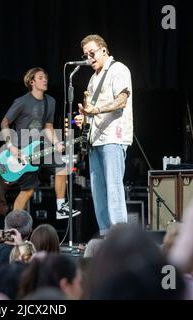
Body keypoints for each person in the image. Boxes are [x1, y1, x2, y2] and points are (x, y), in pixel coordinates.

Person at [1, 67, 80, 219]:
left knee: (62, 167)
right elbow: (5, 123)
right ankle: (11, 227)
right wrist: (10, 146)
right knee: (27, 191)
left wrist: (56, 142)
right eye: (40, 77)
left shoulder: (50, 101)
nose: (45, 80)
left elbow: (48, 127)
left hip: (40, 146)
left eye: (46, 77)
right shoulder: (21, 101)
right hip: (22, 150)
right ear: (32, 81)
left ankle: (61, 207)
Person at [74, 34, 133, 237]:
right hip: (95, 139)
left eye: (92, 53)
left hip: (113, 137)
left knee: (114, 187)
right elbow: (91, 110)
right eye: (85, 55)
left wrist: (96, 111)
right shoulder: (93, 78)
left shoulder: (119, 69)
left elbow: (122, 100)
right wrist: (84, 119)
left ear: (104, 50)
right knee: (98, 191)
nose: (89, 58)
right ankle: (106, 234)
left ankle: (120, 237)